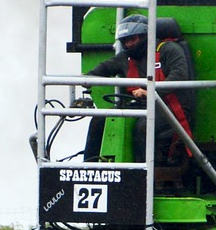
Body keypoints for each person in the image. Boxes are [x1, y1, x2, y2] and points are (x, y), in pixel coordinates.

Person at [83, 14, 196, 163]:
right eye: (126, 41)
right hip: (140, 106)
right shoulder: (125, 58)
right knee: (99, 120)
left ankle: (142, 173)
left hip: (170, 107)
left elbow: (179, 75)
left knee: (143, 126)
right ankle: (89, 168)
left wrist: (151, 92)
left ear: (145, 36)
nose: (129, 44)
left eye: (133, 39)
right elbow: (104, 68)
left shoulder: (168, 49)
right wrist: (87, 79)